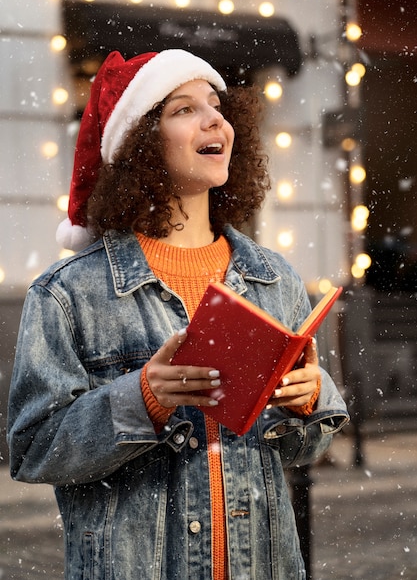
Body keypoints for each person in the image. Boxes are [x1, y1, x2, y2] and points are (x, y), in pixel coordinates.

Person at [7, 49, 348, 580]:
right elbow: (32, 449)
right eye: (183, 109)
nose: (215, 119)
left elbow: (302, 451)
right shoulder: (68, 293)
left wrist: (310, 402)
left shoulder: (274, 279)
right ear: (139, 143)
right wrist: (142, 399)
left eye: (216, 105)